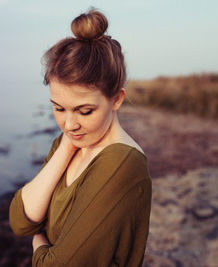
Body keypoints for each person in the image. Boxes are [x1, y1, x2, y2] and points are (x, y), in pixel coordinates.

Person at [9, 7, 152, 267]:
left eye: (84, 111)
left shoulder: (121, 162)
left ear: (117, 99)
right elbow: (20, 220)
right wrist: (65, 149)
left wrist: (38, 243)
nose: (69, 124)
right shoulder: (69, 142)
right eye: (58, 108)